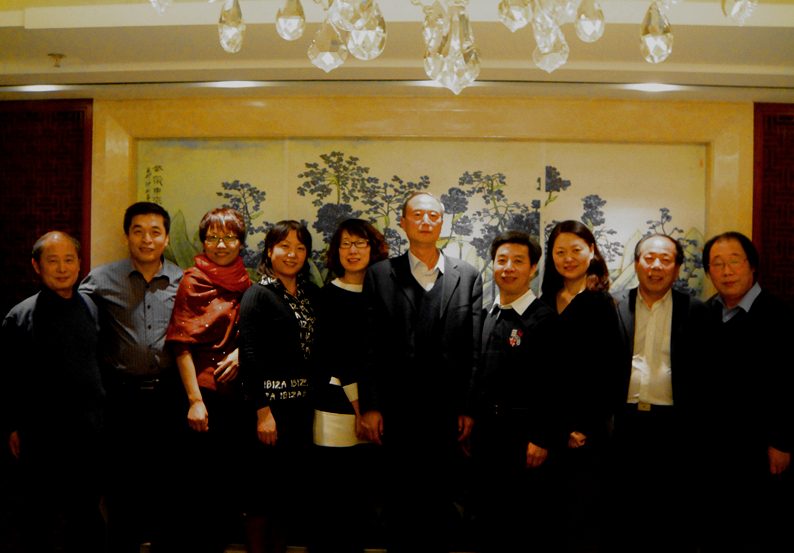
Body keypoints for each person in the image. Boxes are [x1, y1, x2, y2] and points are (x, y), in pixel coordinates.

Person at [359, 191, 483, 553]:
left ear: (442, 223)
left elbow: (473, 350)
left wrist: (468, 408)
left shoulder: (467, 276)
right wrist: (371, 405)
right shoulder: (380, 275)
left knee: (440, 503)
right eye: (417, 215)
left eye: (433, 216)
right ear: (403, 223)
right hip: (395, 413)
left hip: (446, 415)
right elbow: (368, 345)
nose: (426, 221)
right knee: (399, 504)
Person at [79, 201, 183, 553]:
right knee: (122, 489)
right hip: (120, 400)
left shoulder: (182, 280)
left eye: (155, 232)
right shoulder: (101, 279)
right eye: (138, 231)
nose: (146, 239)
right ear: (126, 236)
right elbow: (73, 320)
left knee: (168, 489)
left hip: (169, 399)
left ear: (166, 238)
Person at [2, 231, 106, 553]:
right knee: (38, 518)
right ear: (36, 265)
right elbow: (7, 378)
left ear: (79, 264)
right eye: (53, 261)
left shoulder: (91, 306)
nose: (62, 268)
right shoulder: (20, 316)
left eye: (69, 260)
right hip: (41, 437)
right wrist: (12, 425)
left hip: (88, 434)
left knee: (86, 516)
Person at [609, 234, 708, 553]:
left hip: (675, 428)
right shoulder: (612, 305)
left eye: (666, 260)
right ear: (636, 264)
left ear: (677, 269)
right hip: (624, 425)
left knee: (672, 516)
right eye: (649, 258)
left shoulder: (696, 311)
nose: (656, 266)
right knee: (623, 513)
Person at [165, 207, 252, 552]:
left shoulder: (246, 283)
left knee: (227, 488)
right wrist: (195, 402)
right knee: (198, 488)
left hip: (237, 397)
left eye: (229, 237)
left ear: (241, 243)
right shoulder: (192, 281)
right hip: (203, 396)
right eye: (213, 237)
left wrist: (242, 352)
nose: (221, 244)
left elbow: (253, 333)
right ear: (202, 242)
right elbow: (180, 344)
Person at [700, 231, 793, 552]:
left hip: (761, 450)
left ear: (752, 265)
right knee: (717, 532)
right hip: (715, 450)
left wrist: (782, 441)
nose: (726, 271)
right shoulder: (705, 314)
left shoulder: (780, 316)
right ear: (708, 272)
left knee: (759, 532)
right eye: (717, 264)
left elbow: (789, 384)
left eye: (734, 262)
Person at [473, 230, 562, 553]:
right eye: (502, 260)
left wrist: (541, 438)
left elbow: (553, 385)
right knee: (488, 519)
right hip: (487, 434)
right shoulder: (487, 314)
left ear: (533, 268)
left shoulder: (544, 319)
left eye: (518, 261)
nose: (508, 267)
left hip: (524, 438)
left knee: (522, 524)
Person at [539, 220, 621, 552]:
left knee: (583, 518)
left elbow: (609, 370)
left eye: (576, 250)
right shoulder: (545, 300)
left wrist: (582, 425)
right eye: (560, 252)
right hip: (551, 428)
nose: (568, 258)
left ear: (591, 251)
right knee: (551, 515)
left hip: (586, 430)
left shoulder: (601, 302)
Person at [238, 220, 319, 553]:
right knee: (260, 492)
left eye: (300, 248)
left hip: (301, 409)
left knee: (286, 493)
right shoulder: (257, 294)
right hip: (268, 411)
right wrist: (263, 413)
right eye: (285, 246)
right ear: (270, 251)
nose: (292, 254)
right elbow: (249, 355)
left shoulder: (310, 294)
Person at [312, 219, 389, 553]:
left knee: (363, 502)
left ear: (373, 249)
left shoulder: (385, 293)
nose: (352, 250)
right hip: (337, 408)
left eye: (360, 243)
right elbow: (337, 356)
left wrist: (373, 410)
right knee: (333, 502)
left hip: (376, 411)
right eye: (345, 244)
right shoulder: (328, 296)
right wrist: (362, 411)